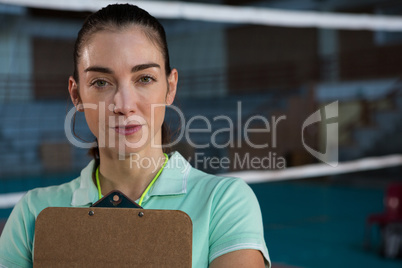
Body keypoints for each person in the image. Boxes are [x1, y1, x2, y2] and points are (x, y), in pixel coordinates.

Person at [0, 4, 270, 267]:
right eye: (101, 82)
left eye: (144, 78)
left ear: (170, 87)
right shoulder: (32, 213)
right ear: (76, 94)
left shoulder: (224, 203)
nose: (124, 104)